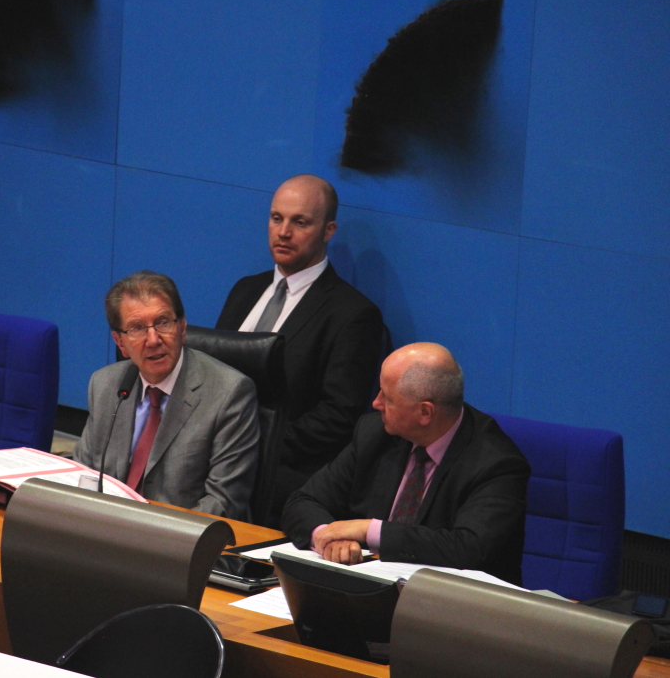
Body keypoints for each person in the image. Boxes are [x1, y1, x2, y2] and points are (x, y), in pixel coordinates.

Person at [281, 343, 530, 585]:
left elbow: (468, 548)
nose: (375, 403)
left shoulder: (496, 463)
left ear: (425, 413)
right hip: (372, 591)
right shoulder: (375, 433)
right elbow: (303, 501)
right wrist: (329, 538)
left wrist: (369, 530)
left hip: (457, 607)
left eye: (387, 397)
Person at [216, 174, 384, 515]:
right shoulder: (245, 290)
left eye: (300, 222)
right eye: (276, 218)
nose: (283, 232)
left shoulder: (353, 314)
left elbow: (338, 416)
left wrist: (251, 446)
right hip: (212, 459)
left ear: (329, 230)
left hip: (281, 475)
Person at [74, 271, 260, 520]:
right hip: (108, 534)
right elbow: (83, 476)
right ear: (120, 342)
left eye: (163, 322)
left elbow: (223, 504)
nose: (153, 340)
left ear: (182, 328)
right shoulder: (106, 385)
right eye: (137, 328)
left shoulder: (229, 393)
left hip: (183, 544)